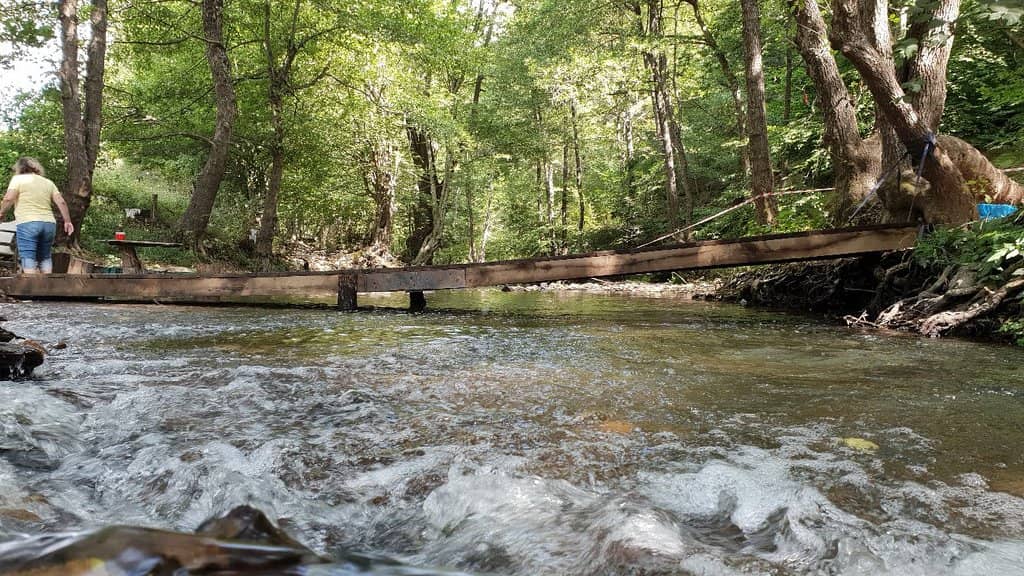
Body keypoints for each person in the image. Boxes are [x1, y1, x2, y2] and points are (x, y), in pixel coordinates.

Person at [0, 157, 75, 274]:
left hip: (28, 223)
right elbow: (61, 202)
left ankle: (32, 284)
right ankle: (46, 284)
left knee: (28, 256)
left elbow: (8, 199)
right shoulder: (48, 182)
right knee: (45, 257)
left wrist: (1, 214)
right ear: (36, 167)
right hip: (49, 224)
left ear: (19, 168)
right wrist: (67, 221)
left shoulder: (18, 179)